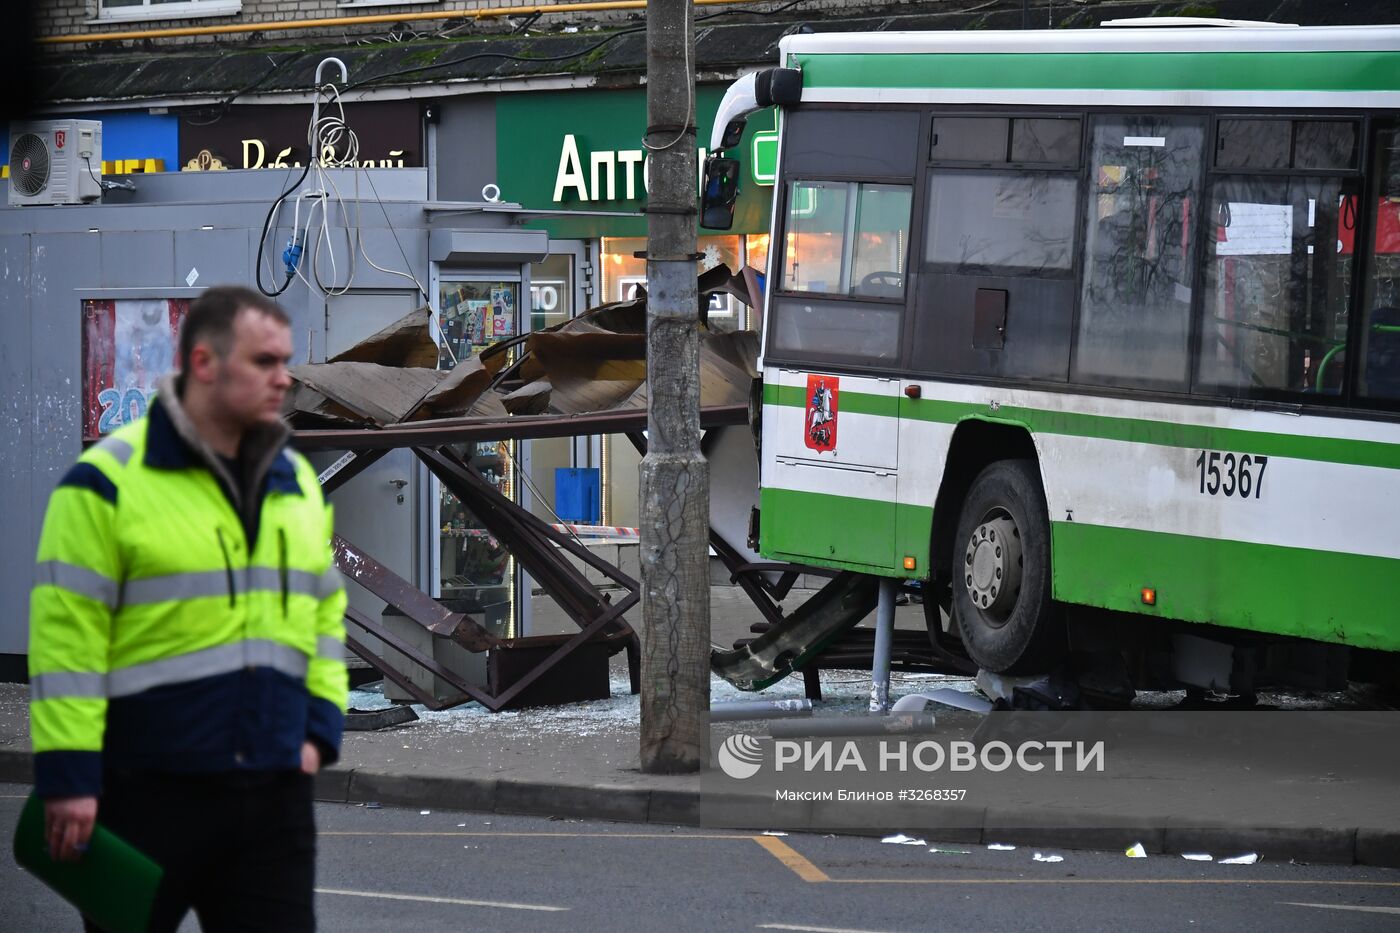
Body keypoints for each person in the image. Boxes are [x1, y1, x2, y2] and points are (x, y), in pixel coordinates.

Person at [28, 285, 348, 932]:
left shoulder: (294, 483)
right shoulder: (105, 482)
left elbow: (322, 613)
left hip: (272, 796)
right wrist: (68, 775)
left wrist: (318, 730)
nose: (284, 379)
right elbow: (69, 643)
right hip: (144, 795)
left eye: (285, 361)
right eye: (264, 361)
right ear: (204, 362)